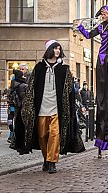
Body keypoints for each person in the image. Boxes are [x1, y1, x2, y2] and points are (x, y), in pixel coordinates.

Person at [21, 40, 85, 173]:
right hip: (41, 108)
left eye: (59, 49)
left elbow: (69, 90)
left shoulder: (64, 69)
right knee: (42, 135)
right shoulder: (39, 68)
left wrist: (71, 107)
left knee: (55, 135)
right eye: (55, 48)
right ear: (49, 50)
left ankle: (52, 162)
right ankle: (46, 158)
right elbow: (31, 88)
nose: (57, 51)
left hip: (56, 108)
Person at [78, 2, 108, 158]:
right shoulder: (101, 27)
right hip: (102, 61)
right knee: (101, 100)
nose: (102, 16)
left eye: (104, 13)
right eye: (102, 14)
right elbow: (88, 35)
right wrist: (80, 27)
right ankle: (101, 140)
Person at [9, 69, 28, 154]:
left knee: (16, 123)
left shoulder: (13, 84)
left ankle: (13, 140)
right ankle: (19, 143)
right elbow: (24, 97)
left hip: (14, 106)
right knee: (21, 125)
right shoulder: (22, 85)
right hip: (21, 107)